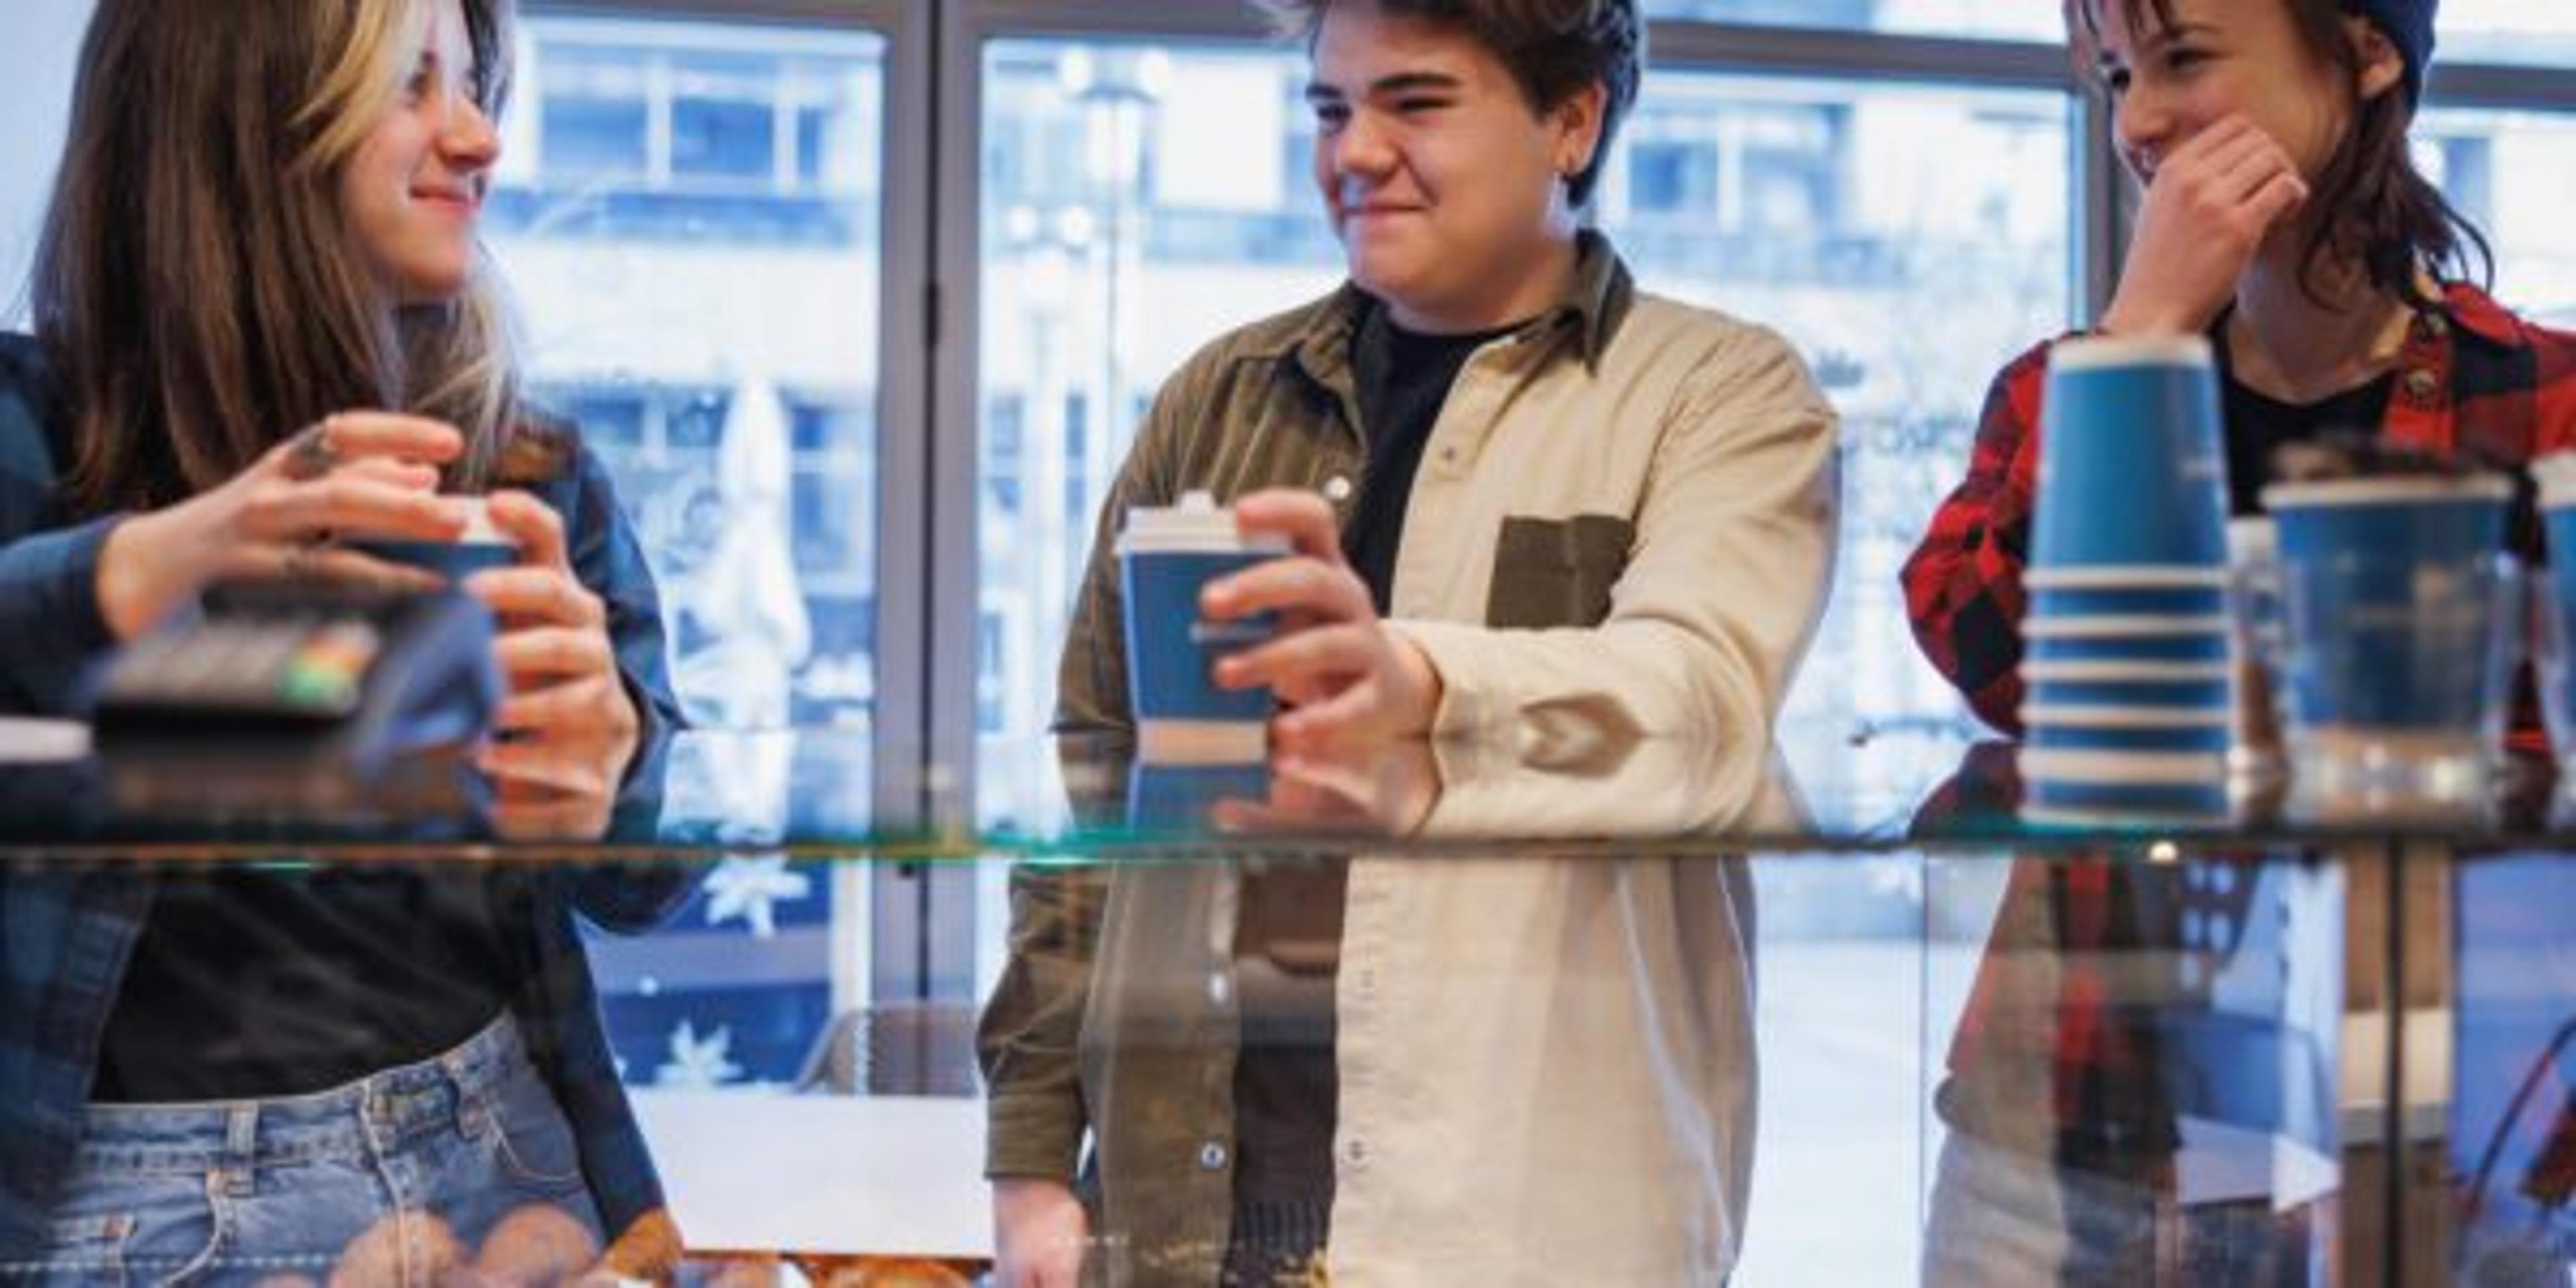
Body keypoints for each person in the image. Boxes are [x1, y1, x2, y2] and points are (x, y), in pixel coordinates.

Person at [980, 0, 1839, 1282]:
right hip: (1189, 1202)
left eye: (1416, 103)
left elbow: (1700, 702)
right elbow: (1098, 785)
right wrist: (1037, 1160)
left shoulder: (1720, 393)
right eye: (1332, 108)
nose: (1356, 152)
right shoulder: (1217, 399)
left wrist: (1420, 690)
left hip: (1525, 1215)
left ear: (1573, 119)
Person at [0, 0, 689, 1279]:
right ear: (237, 122)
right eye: (411, 84)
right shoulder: (30, 434)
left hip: (511, 1158)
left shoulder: (531, 474)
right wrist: (136, 567)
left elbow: (649, 882)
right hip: (144, 1215)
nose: (479, 135)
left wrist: (609, 774)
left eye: (475, 82)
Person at [1904, 0, 2576, 735]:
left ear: (2371, 55)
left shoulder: (2550, 400)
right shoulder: (2058, 392)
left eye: (2185, 59)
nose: (2133, 124)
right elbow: (1990, 671)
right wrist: (2138, 340)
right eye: (2120, 77)